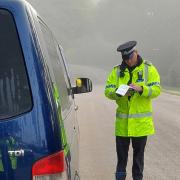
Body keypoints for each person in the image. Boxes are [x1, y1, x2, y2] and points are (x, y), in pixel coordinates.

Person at [104, 41, 161, 180]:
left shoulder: (149, 69)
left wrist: (142, 89)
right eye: (125, 59)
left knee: (138, 160)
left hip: (141, 126)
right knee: (121, 161)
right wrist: (118, 93)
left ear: (136, 52)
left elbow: (157, 90)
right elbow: (107, 91)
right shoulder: (116, 71)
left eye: (130, 57)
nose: (129, 61)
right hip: (122, 126)